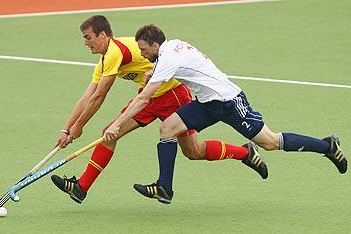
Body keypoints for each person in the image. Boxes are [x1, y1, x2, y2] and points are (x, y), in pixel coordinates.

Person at [104, 24, 347, 204]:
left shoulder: (167, 58)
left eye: (144, 50)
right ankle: (164, 187)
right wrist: (153, 71)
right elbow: (196, 59)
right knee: (167, 128)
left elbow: (144, 98)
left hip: (229, 101)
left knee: (270, 142)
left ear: (155, 45)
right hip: (207, 103)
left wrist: (117, 124)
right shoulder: (172, 46)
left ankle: (327, 146)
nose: (143, 54)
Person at [50, 15, 268, 204]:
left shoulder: (116, 52)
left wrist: (78, 127)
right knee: (109, 133)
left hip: (173, 95)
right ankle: (81, 187)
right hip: (149, 97)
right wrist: (66, 129)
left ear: (103, 35)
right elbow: (87, 95)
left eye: (88, 37)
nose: (85, 42)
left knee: (193, 152)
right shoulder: (104, 61)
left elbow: (99, 97)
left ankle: (246, 153)